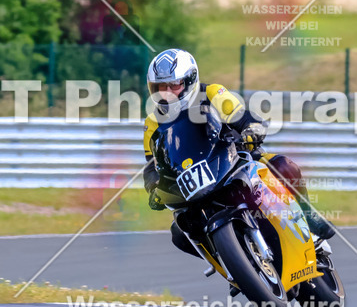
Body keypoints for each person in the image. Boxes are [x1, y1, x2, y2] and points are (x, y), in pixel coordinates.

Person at [141, 48, 336, 259]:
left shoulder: (212, 93)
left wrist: (251, 129)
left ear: (190, 81)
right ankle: (228, 261)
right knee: (179, 234)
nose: (168, 93)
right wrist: (153, 186)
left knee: (282, 165)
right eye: (161, 87)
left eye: (174, 85)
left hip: (234, 158)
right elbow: (152, 166)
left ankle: (308, 216)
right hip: (193, 184)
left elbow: (241, 116)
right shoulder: (152, 123)